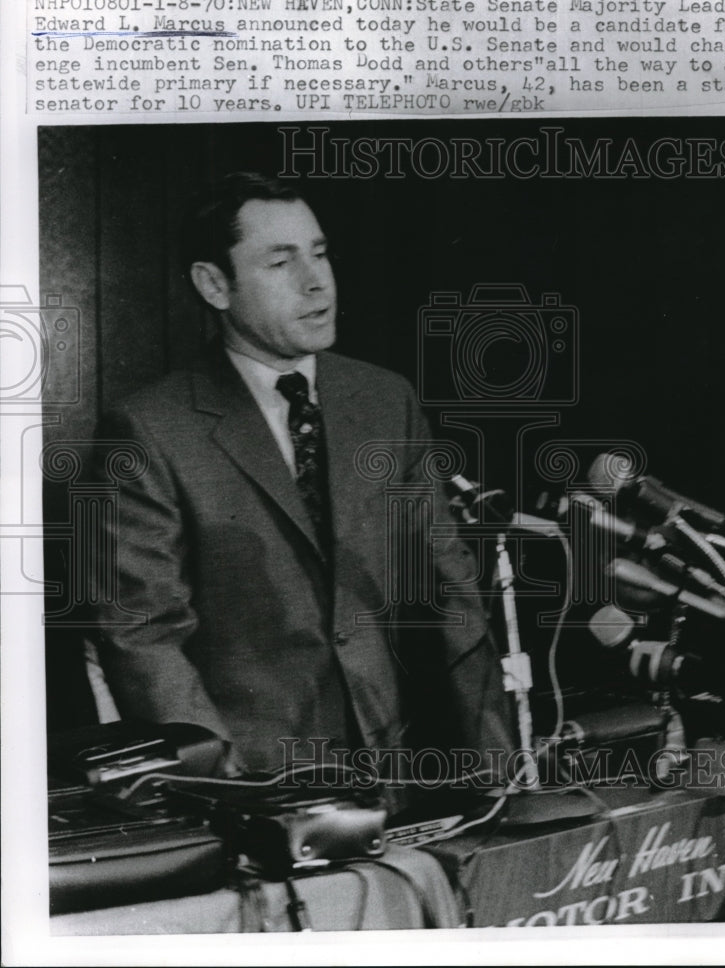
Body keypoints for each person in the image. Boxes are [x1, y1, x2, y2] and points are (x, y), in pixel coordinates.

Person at [90, 173, 513, 787]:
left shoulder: (384, 400)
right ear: (214, 285)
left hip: (399, 776)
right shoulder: (149, 430)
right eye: (280, 262)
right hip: (256, 790)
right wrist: (227, 791)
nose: (316, 282)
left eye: (319, 254)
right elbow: (142, 635)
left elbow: (449, 593)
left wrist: (496, 773)